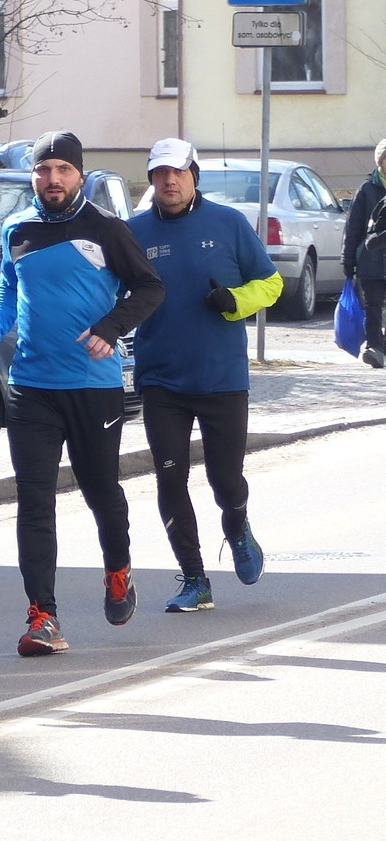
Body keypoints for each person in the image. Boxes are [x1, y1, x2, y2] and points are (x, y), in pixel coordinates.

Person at [0, 129, 164, 657]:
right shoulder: (17, 228)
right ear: (33, 175)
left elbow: (150, 287)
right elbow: (8, 289)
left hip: (92, 387)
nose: (52, 179)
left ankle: (118, 570)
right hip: (30, 387)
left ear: (80, 175)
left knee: (101, 491)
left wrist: (111, 327)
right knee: (34, 502)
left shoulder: (106, 229)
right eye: (43, 170)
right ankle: (43, 617)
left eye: (63, 170)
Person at [127, 138, 281, 610]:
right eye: (160, 173)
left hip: (221, 378)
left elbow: (270, 282)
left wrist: (236, 301)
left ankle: (237, 525)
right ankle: (195, 579)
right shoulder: (133, 231)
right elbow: (109, 291)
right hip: (162, 379)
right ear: (151, 179)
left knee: (225, 480)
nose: (169, 181)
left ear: (194, 175)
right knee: (169, 481)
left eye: (178, 172)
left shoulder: (228, 223)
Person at [341, 139, 386, 368]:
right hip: (371, 260)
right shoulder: (367, 190)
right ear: (380, 161)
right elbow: (353, 228)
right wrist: (347, 259)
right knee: (373, 307)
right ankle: (375, 348)